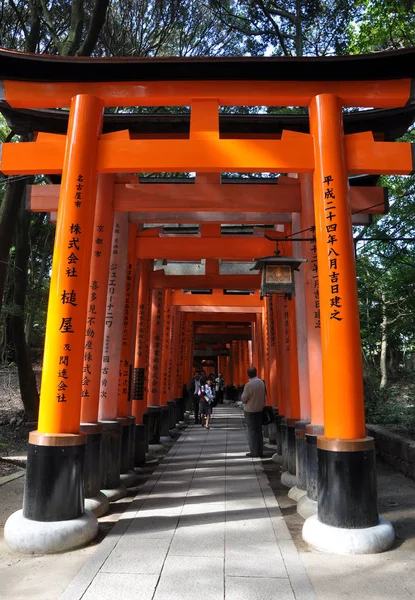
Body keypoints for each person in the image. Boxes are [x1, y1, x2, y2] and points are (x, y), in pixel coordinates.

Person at [241, 366, 266, 458]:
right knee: (259, 430)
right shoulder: (261, 383)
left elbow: (244, 399)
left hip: (250, 410)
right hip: (260, 409)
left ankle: (254, 451)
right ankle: (260, 450)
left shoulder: (249, 385)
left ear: (248, 374)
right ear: (256, 372)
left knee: (252, 431)